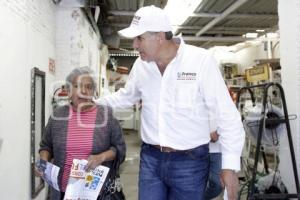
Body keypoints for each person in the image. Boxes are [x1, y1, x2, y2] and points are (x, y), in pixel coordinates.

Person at [97, 5, 245, 200]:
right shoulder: (141, 66)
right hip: (151, 158)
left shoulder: (199, 61)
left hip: (190, 162)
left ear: (159, 36)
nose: (134, 45)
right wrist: (94, 103)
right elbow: (126, 96)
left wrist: (230, 166)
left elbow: (227, 114)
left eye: (139, 38)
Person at [36, 67, 126, 200]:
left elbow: (119, 149)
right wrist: (43, 161)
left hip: (96, 193)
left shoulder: (106, 115)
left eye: (89, 87)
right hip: (62, 191)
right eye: (77, 86)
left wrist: (101, 157)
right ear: (69, 91)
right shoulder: (58, 116)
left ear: (93, 92)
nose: (83, 91)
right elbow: (46, 146)